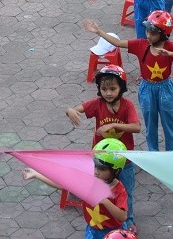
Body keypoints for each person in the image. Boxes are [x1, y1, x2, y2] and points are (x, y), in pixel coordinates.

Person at [85, 11, 173, 152]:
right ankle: (153, 154)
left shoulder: (169, 46)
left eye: (153, 33)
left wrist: (170, 54)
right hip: (147, 89)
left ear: (164, 34)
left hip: (165, 89)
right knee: (150, 125)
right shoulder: (141, 44)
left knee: (169, 123)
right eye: (147, 31)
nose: (148, 36)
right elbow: (118, 43)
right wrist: (99, 32)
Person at [66, 65, 141, 232]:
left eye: (113, 89)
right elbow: (76, 109)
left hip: (124, 160)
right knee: (100, 189)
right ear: (99, 89)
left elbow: (137, 127)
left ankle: (128, 222)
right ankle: (101, 219)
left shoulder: (127, 106)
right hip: (100, 161)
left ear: (121, 88)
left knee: (126, 191)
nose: (108, 93)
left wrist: (113, 124)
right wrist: (70, 111)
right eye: (104, 88)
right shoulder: (97, 104)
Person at [23, 139, 129, 238]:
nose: (96, 171)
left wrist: (105, 201)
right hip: (92, 231)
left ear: (116, 171)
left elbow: (123, 216)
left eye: (102, 169)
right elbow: (62, 184)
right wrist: (36, 174)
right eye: (95, 166)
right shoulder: (90, 181)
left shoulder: (119, 190)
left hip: (113, 233)